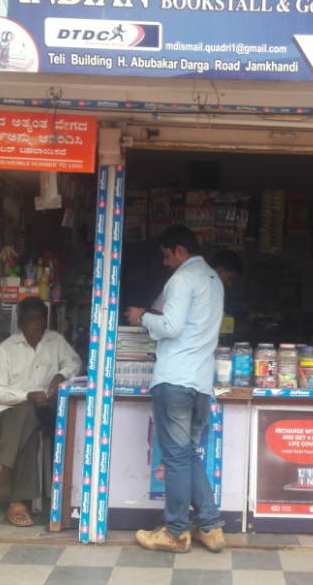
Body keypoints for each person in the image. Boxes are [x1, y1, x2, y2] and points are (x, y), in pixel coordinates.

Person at [126, 225, 226, 554]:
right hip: (200, 383)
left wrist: (142, 317)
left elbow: (170, 326)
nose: (166, 263)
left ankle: (177, 532)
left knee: (176, 458)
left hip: (175, 381)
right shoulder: (214, 280)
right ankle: (210, 527)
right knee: (187, 455)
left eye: (167, 256)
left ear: (180, 251)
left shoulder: (182, 278)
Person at [0, 296, 81, 527]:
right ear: (21, 324)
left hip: (43, 410)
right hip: (3, 411)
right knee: (28, 422)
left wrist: (60, 375)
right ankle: (17, 503)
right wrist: (27, 396)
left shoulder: (55, 341)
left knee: (28, 414)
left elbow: (74, 363)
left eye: (42, 317)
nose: (39, 323)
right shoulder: (6, 349)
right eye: (33, 318)